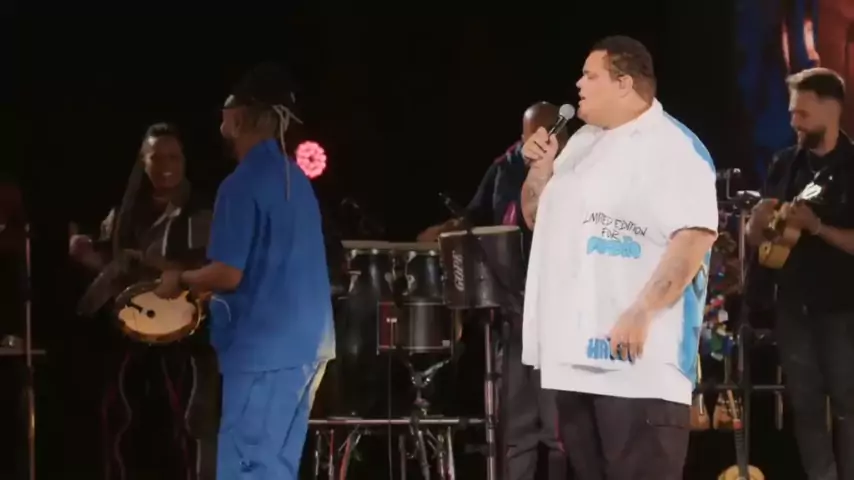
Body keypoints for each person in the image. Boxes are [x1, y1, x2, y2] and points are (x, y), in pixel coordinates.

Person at [520, 36, 719, 480]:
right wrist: (540, 170)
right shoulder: (581, 143)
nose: (578, 84)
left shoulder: (674, 148)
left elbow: (692, 241)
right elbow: (536, 217)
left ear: (624, 83)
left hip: (638, 369)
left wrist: (642, 310)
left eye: (590, 75)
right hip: (573, 366)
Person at [153, 62, 335, 479]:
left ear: (238, 118)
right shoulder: (296, 179)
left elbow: (228, 274)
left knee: (249, 470)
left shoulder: (241, 184)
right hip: (309, 348)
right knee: (277, 468)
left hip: (264, 350)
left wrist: (180, 280)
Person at [417, 102, 569, 480]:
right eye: (527, 136)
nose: (531, 143)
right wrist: (445, 231)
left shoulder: (579, 169)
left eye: (544, 134)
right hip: (513, 313)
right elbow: (474, 217)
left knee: (559, 430)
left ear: (560, 138)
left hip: (561, 315)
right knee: (515, 430)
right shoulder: (505, 167)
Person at [69, 123, 220, 480]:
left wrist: (166, 268)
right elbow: (111, 265)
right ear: (143, 161)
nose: (166, 166)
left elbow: (215, 269)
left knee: (187, 427)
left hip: (187, 337)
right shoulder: (124, 213)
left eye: (173, 157)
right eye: (157, 158)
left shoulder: (201, 211)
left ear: (184, 161)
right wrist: (86, 253)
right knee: (120, 422)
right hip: (131, 332)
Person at [746, 67, 854, 480]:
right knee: (805, 405)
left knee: (848, 404)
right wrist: (756, 225)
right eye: (792, 113)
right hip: (792, 306)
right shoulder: (785, 163)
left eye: (803, 114)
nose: (794, 121)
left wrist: (818, 227)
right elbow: (762, 237)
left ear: (832, 109)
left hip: (843, 307)